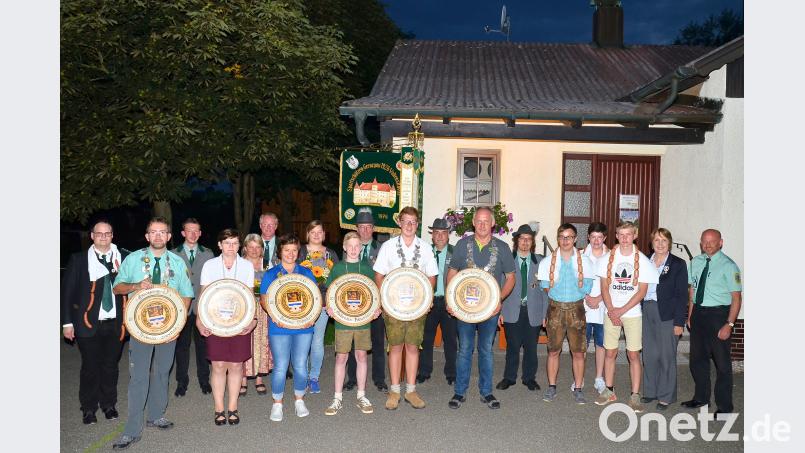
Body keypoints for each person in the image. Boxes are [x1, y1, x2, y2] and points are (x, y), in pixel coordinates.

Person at [111, 217, 194, 450]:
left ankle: (156, 415)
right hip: (140, 328)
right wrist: (136, 285)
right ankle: (132, 430)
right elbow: (117, 287)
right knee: (139, 377)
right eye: (153, 232)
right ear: (147, 236)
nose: (158, 236)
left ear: (169, 236)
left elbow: (187, 294)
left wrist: (178, 323)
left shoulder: (177, 262)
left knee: (162, 372)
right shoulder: (133, 259)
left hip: (168, 327)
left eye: (162, 232)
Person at [446, 207, 516, 410]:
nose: (483, 225)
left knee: (486, 350)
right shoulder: (461, 245)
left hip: (490, 310)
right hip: (464, 308)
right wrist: (451, 301)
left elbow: (511, 278)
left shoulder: (502, 248)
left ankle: (486, 392)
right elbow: (452, 272)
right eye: (479, 221)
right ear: (473, 223)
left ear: (493, 224)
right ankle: (460, 392)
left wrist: (499, 300)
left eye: (486, 221)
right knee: (465, 349)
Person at [61, 220, 128, 425]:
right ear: (92, 236)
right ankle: (88, 408)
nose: (103, 237)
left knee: (110, 366)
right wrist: (67, 323)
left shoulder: (123, 258)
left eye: (107, 233)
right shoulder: (80, 260)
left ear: (112, 235)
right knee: (90, 367)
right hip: (87, 323)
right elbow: (67, 293)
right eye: (99, 234)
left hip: (116, 323)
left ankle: (109, 405)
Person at [373, 206, 438, 410]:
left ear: (417, 225)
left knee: (412, 346)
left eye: (413, 221)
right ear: (399, 222)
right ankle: (394, 390)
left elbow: (432, 276)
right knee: (395, 347)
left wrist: (427, 299)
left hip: (417, 307)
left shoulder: (425, 248)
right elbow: (379, 275)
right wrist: (384, 300)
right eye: (406, 221)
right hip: (393, 307)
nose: (409, 225)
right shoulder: (388, 247)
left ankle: (410, 390)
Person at [594, 221, 659, 412]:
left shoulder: (643, 261)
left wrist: (621, 311)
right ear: (616, 235)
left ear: (635, 235)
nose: (624, 238)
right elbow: (604, 286)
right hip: (611, 311)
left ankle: (635, 395)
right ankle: (609, 390)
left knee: (633, 355)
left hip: (631, 313)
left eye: (628, 234)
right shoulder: (608, 258)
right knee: (610, 352)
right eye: (621, 234)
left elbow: (642, 292)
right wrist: (612, 309)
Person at [196, 229, 256, 425]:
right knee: (219, 365)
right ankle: (218, 408)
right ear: (219, 245)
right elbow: (204, 295)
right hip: (215, 322)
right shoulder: (210, 265)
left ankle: (232, 407)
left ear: (240, 246)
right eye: (227, 243)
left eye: (235, 243)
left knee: (237, 365)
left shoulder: (247, 266)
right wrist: (199, 320)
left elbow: (249, 296)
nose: (231, 247)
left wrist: (252, 319)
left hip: (240, 321)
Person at [681, 229, 742, 417]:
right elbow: (692, 292)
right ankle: (701, 398)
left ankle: (725, 407)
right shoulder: (696, 262)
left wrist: (729, 325)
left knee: (722, 364)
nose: (707, 245)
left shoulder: (729, 266)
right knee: (697, 361)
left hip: (719, 316)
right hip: (699, 313)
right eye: (704, 241)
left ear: (720, 242)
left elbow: (737, 298)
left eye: (712, 241)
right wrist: (690, 316)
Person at [323, 232, 382, 415]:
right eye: (351, 246)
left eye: (357, 246)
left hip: (363, 321)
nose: (354, 249)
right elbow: (329, 291)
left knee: (362, 356)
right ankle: (337, 398)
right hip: (342, 321)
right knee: (341, 358)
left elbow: (374, 293)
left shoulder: (366, 268)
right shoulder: (338, 268)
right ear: (344, 247)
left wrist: (376, 308)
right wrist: (329, 307)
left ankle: (361, 395)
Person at [260, 233, 317, 422]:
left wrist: (313, 318)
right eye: (287, 250)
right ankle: (277, 403)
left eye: (294, 250)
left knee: (301, 366)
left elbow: (315, 299)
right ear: (280, 251)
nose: (290, 254)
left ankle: (299, 400)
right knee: (281, 367)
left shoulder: (306, 273)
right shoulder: (271, 274)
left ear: (298, 252)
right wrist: (276, 317)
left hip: (304, 327)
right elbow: (264, 300)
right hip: (280, 327)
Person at [537, 224, 595, 405]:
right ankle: (552, 386)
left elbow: (587, 286)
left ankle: (578, 388)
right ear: (558, 238)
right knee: (553, 350)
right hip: (555, 309)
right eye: (562, 237)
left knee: (578, 352)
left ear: (576, 239)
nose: (565, 240)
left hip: (576, 309)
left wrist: (572, 295)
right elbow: (544, 286)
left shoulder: (585, 261)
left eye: (569, 237)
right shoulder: (547, 262)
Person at [641, 228, 688, 411]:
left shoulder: (677, 264)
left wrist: (679, 322)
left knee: (666, 356)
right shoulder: (645, 261)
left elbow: (682, 295)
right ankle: (650, 391)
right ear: (651, 243)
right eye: (656, 241)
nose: (660, 244)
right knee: (650, 354)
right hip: (647, 310)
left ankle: (666, 396)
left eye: (664, 241)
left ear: (669, 243)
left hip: (667, 314)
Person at [496, 224, 547, 392]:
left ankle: (529, 378)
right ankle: (509, 378)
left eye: (529, 239)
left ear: (532, 242)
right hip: (511, 310)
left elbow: (545, 290)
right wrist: (499, 311)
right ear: (517, 241)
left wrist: (545, 313)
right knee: (513, 346)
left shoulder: (540, 262)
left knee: (531, 348)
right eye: (522, 239)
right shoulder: (507, 260)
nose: (525, 242)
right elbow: (500, 286)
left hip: (534, 311)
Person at [346, 207, 388, 392]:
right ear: (356, 228)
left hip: (375, 303)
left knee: (378, 341)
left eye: (368, 226)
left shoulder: (382, 249)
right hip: (354, 303)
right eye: (361, 227)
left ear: (373, 228)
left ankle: (379, 379)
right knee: (354, 341)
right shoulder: (350, 249)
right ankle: (352, 378)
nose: (365, 230)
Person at [172, 218, 214, 397]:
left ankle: (204, 380)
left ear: (200, 233)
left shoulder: (208, 253)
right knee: (181, 347)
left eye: (196, 231)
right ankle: (182, 382)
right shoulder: (173, 254)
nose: (193, 234)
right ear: (182, 233)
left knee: (203, 346)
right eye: (189, 230)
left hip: (201, 307)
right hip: (181, 307)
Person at [297, 220, 339, 394]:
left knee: (317, 341)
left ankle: (313, 377)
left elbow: (337, 280)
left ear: (324, 234)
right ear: (307, 234)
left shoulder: (331, 254)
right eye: (312, 231)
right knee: (301, 341)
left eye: (319, 231)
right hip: (302, 305)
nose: (316, 235)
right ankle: (301, 375)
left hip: (322, 304)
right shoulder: (299, 252)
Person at [417, 218, 458, 385]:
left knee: (450, 340)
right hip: (429, 303)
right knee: (426, 338)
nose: (440, 236)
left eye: (443, 233)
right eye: (436, 233)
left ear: (448, 235)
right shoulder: (424, 252)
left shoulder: (456, 253)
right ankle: (424, 371)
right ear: (432, 235)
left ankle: (451, 373)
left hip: (449, 303)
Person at [576, 222, 609, 395]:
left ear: (604, 238)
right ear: (588, 237)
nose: (596, 240)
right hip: (584, 308)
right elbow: (576, 280)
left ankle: (599, 378)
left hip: (603, 307)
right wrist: (587, 297)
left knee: (601, 345)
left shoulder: (611, 256)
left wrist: (599, 298)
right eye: (593, 237)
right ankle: (578, 379)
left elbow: (612, 284)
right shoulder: (580, 255)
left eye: (600, 237)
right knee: (581, 345)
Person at [240, 234, 273, 396]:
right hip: (245, 307)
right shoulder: (239, 264)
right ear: (245, 248)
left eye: (257, 247)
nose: (254, 250)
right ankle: (243, 378)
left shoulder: (268, 264)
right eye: (251, 247)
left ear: (262, 248)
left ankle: (260, 377)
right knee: (245, 340)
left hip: (263, 307)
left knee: (262, 341)